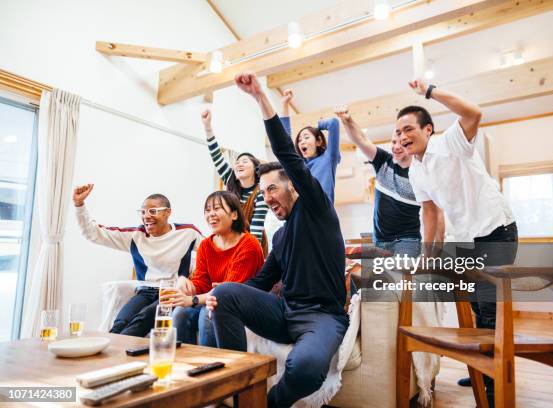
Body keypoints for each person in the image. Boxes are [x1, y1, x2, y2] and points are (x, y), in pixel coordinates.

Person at [206, 72, 348, 408]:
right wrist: (205, 299)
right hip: (284, 312)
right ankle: (238, 389)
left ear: (294, 186)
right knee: (223, 293)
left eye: (273, 188)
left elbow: (287, 153)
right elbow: (259, 282)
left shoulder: (316, 208)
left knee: (306, 367)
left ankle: (267, 404)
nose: (267, 197)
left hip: (322, 317)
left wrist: (260, 96)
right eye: (264, 191)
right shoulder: (281, 236)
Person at [401, 80, 518, 407]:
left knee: (491, 312)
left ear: (427, 129)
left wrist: (430, 91)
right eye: (397, 132)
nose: (402, 136)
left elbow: (473, 112)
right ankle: (483, 373)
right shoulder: (416, 170)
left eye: (408, 128)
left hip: (496, 230)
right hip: (466, 240)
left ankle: (495, 394)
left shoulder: (450, 141)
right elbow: (430, 213)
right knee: (477, 309)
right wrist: (428, 255)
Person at [72, 184, 202, 337]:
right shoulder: (135, 236)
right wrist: (79, 205)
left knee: (140, 321)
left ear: (168, 213)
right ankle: (109, 356)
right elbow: (93, 233)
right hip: (145, 292)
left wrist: (192, 279)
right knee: (120, 323)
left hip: (171, 293)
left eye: (153, 211)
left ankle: (122, 356)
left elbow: (210, 252)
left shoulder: (188, 232)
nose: (146, 216)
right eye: (143, 212)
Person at [335, 106, 444, 258]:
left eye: (401, 142)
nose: (397, 146)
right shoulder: (383, 161)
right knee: (381, 281)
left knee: (402, 280)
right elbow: (360, 139)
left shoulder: (419, 172)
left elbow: (435, 212)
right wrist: (348, 120)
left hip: (407, 241)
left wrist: (436, 249)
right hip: (380, 241)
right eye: (393, 142)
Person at [162, 191, 264, 346]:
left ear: (234, 215)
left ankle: (211, 367)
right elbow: (202, 282)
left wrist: (192, 299)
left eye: (217, 208)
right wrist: (187, 284)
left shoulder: (249, 245)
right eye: (207, 210)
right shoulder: (205, 245)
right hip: (212, 298)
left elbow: (228, 292)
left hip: (238, 304)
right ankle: (185, 366)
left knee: (207, 317)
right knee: (180, 314)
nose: (211, 214)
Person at [201, 109, 269, 254]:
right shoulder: (230, 180)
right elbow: (216, 155)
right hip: (228, 240)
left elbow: (257, 226)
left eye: (245, 161)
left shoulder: (261, 192)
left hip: (251, 244)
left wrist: (248, 252)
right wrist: (208, 127)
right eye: (237, 162)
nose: (239, 164)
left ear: (255, 168)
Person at [278, 89, 341, 203]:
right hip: (302, 212)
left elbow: (333, 123)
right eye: (299, 140)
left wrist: (317, 127)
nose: (302, 142)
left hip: (323, 213)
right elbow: (283, 138)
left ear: (319, 142)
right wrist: (284, 103)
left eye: (306, 137)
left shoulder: (329, 158)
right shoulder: (299, 164)